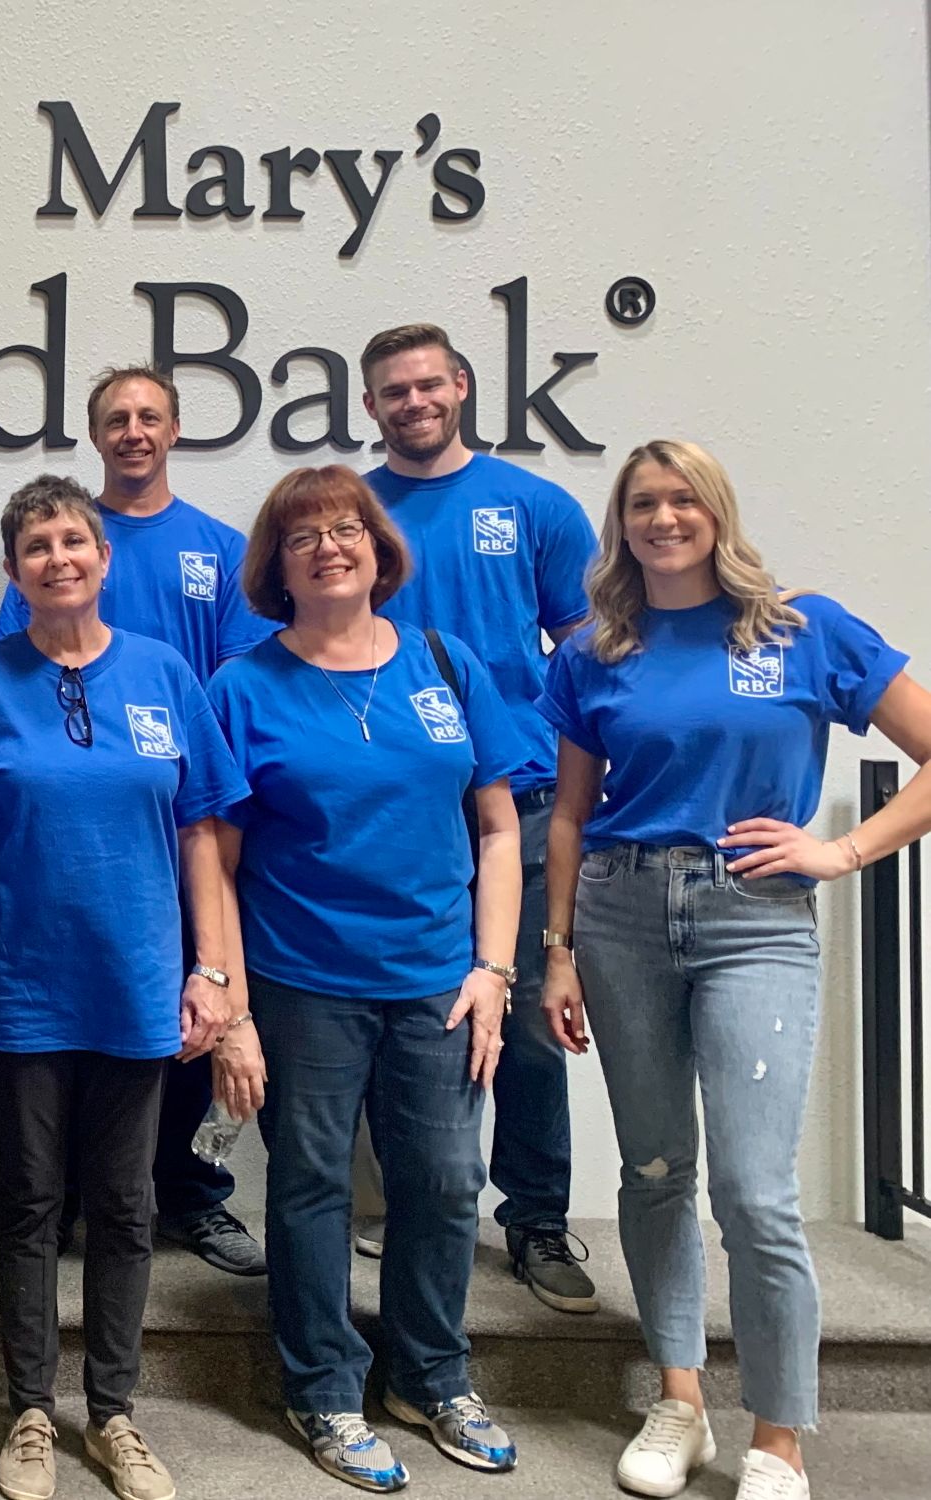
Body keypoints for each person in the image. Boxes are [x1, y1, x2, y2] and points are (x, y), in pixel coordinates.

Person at [538, 440, 931, 1500]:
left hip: (754, 916)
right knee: (656, 1169)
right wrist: (558, 951)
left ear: (717, 512)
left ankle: (779, 1438)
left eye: (682, 500)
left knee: (756, 1192)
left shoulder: (802, 628)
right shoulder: (594, 648)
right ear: (620, 524)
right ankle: (679, 1404)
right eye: (642, 504)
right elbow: (569, 814)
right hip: (619, 912)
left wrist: (842, 850)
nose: (663, 519)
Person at [0, 475, 246, 1500]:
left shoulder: (164, 674)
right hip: (20, 986)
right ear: (13, 573)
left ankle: (113, 1414)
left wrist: (212, 973)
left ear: (103, 560)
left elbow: (201, 837)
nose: (59, 559)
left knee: (129, 1205)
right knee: (30, 1205)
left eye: (74, 542)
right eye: (37, 547)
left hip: (138, 984)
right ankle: (27, 1411)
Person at [207, 466, 526, 1494]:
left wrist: (494, 968)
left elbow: (500, 826)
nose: (330, 546)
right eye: (304, 536)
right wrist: (233, 1006)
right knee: (309, 1187)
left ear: (379, 549)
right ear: (278, 565)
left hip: (439, 978)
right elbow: (212, 857)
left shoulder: (445, 661)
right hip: (303, 982)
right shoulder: (242, 687)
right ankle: (325, 1389)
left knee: (442, 1181)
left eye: (347, 528)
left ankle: (431, 1376)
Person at [0, 364, 274, 1277]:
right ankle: (75, 1197)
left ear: (176, 430)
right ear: (96, 434)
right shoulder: (62, 539)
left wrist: (212, 813)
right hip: (80, 827)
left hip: (185, 809)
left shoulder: (220, 549)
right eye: (116, 417)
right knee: (85, 1017)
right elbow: (11, 670)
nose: (134, 430)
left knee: (194, 1003)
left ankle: (192, 1197)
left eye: (150, 416)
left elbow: (236, 686)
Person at [355, 323, 601, 1313]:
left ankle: (537, 1220)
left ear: (460, 386)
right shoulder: (353, 508)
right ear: (369, 405)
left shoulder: (535, 505)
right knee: (398, 1009)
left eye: (428, 385)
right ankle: (400, 1204)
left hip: (526, 797)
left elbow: (586, 649)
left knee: (534, 1019)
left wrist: (595, 779)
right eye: (392, 392)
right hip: (398, 802)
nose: (413, 403)